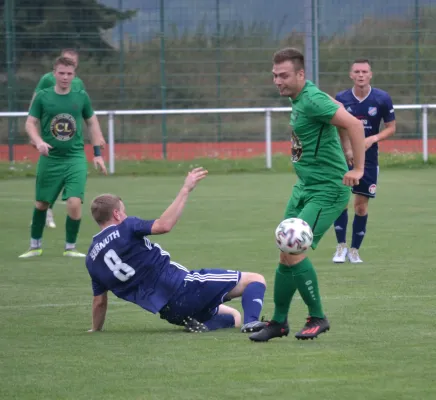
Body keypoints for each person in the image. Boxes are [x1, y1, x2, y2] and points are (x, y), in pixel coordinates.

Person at [249, 47, 365, 342]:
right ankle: (278, 323)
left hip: (326, 190)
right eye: (275, 75)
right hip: (304, 187)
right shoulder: (304, 97)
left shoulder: (311, 99)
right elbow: (337, 107)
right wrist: (346, 149)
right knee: (285, 250)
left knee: (293, 250)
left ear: (301, 74)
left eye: (284, 75)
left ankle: (318, 317)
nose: (278, 81)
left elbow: (352, 122)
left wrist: (359, 168)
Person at [85, 168, 267, 334]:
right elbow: (164, 225)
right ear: (116, 214)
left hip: (170, 312)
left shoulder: (92, 260)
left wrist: (95, 329)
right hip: (184, 288)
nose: (125, 215)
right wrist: (185, 189)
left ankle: (206, 325)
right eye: (123, 212)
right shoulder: (126, 226)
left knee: (234, 317)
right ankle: (252, 323)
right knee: (255, 280)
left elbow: (99, 302)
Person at [19, 56, 107, 259]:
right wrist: (39, 141)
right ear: (54, 73)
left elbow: (92, 123)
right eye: (61, 73)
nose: (65, 77)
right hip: (50, 159)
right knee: (41, 203)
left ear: (74, 74)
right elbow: (30, 123)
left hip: (75, 157)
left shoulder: (81, 96)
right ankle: (35, 246)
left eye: (69, 74)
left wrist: (97, 154)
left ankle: (70, 247)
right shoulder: (43, 96)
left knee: (74, 202)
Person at [332, 58, 396, 264]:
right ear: (351, 75)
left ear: (370, 74)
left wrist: (372, 138)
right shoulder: (341, 98)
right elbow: (339, 126)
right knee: (341, 202)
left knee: (360, 207)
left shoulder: (382, 99)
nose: (361, 75)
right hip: (343, 158)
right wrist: (348, 148)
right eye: (357, 71)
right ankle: (340, 247)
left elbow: (391, 127)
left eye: (364, 71)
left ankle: (354, 250)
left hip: (369, 159)